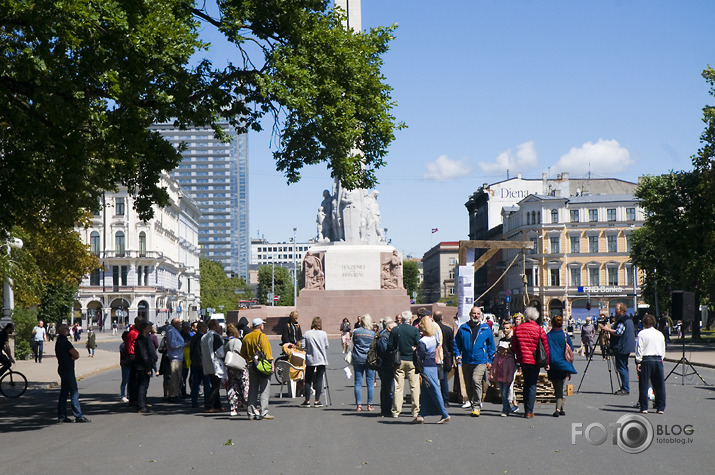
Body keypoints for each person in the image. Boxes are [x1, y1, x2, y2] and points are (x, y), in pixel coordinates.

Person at [454, 306, 496, 417]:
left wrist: (490, 360)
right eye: (474, 313)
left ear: (480, 315)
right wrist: (457, 355)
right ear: (470, 314)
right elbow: (456, 344)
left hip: (480, 360)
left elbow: (491, 346)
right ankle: (473, 404)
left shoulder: (485, 329)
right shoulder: (463, 328)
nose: (475, 316)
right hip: (467, 361)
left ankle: (477, 405)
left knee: (476, 380)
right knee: (468, 384)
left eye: (478, 314)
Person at [511, 307, 549, 419]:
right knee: (532, 384)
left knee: (526, 383)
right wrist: (547, 362)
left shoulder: (518, 329)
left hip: (523, 359)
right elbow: (545, 347)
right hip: (535, 360)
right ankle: (529, 411)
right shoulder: (539, 329)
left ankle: (526, 409)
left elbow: (514, 345)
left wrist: (519, 354)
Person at [413, 316, 450, 424]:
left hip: (426, 367)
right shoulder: (433, 338)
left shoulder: (422, 341)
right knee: (425, 391)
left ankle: (444, 414)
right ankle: (421, 414)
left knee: (434, 389)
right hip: (433, 365)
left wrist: (414, 350)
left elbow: (420, 355)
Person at [388, 310, 421, 418]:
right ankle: (415, 410)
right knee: (414, 386)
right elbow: (418, 344)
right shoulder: (414, 330)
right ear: (410, 319)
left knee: (398, 386)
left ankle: (396, 411)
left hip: (399, 360)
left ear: (401, 319)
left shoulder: (395, 330)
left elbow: (390, 346)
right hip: (412, 360)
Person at [240, 318, 274, 420]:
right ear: (260, 326)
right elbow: (267, 353)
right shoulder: (262, 336)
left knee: (253, 389)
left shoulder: (247, 337)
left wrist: (249, 359)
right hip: (262, 365)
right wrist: (271, 364)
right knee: (264, 388)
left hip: (251, 365)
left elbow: (242, 353)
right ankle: (264, 412)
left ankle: (251, 412)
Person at [55, 324, 90, 422]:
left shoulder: (58, 341)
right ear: (62, 330)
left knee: (64, 393)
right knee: (74, 392)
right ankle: (78, 415)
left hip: (61, 368)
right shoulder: (66, 342)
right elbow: (76, 354)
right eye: (66, 329)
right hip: (68, 369)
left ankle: (62, 416)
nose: (68, 330)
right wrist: (72, 358)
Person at [601, 303, 635, 395]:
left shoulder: (622, 320)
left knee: (621, 367)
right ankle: (625, 386)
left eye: (617, 309)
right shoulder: (628, 319)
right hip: (626, 345)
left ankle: (625, 388)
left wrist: (607, 329)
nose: (615, 310)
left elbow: (618, 332)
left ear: (622, 310)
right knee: (624, 367)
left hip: (622, 347)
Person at [546, 316, 577, 417]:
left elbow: (546, 350)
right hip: (563, 363)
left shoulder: (548, 335)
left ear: (552, 324)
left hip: (552, 364)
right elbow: (571, 349)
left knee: (557, 387)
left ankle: (558, 409)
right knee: (560, 386)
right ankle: (560, 408)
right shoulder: (565, 335)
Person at [635, 314, 666, 414]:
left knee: (644, 384)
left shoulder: (642, 334)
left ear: (644, 323)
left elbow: (640, 348)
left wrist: (638, 361)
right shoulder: (659, 334)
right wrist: (661, 358)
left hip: (646, 359)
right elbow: (662, 348)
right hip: (657, 359)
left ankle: (644, 407)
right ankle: (660, 407)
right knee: (659, 385)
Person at [301, 317, 329, 408]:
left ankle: (307, 400)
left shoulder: (307, 333)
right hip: (321, 359)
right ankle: (317, 400)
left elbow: (303, 346)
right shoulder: (323, 334)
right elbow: (326, 346)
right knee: (319, 379)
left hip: (311, 359)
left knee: (308, 379)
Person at [352, 313, 376, 412]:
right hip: (370, 359)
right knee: (370, 382)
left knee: (358, 382)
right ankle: (369, 405)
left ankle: (359, 405)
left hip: (358, 358)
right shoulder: (372, 333)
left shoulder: (356, 332)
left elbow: (354, 342)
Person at [201, 319, 226, 413]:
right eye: (218, 325)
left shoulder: (204, 336)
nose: (219, 327)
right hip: (216, 364)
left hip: (207, 363)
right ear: (214, 326)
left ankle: (218, 405)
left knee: (215, 384)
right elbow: (220, 353)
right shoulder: (215, 336)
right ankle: (209, 405)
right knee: (215, 386)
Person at [224, 323, 248, 416]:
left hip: (230, 366)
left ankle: (233, 407)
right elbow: (242, 352)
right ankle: (246, 403)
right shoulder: (237, 341)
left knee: (232, 386)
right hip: (239, 365)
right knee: (244, 385)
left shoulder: (226, 341)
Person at [496, 320, 519, 414]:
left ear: (511, 329)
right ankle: (511, 404)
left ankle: (507, 407)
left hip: (512, 365)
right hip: (502, 367)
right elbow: (498, 353)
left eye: (507, 328)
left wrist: (519, 365)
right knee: (505, 387)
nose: (505, 330)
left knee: (509, 386)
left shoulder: (514, 339)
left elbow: (517, 353)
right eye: (504, 328)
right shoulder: (501, 340)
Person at [134, 321, 157, 413]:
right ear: (144, 329)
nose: (151, 328)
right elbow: (144, 355)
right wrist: (148, 367)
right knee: (142, 386)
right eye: (149, 327)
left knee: (145, 385)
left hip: (145, 365)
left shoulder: (146, 337)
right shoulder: (141, 339)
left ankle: (143, 402)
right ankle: (141, 405)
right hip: (142, 366)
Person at [376, 317, 396, 417]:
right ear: (389, 328)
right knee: (388, 388)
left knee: (386, 387)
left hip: (386, 365)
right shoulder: (384, 338)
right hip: (384, 365)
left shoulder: (387, 336)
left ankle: (386, 408)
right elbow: (385, 352)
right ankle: (386, 409)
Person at [433, 311, 454, 406]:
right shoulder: (448, 330)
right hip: (445, 357)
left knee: (433, 379)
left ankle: (434, 399)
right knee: (444, 379)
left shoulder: (431, 329)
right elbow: (451, 346)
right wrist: (452, 359)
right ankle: (445, 400)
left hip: (433, 356)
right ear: (442, 318)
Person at [189, 321, 211, 409]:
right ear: (202, 328)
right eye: (205, 328)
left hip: (194, 363)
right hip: (203, 363)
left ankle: (194, 402)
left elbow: (191, 350)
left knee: (195, 383)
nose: (206, 329)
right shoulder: (203, 338)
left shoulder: (193, 337)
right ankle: (207, 402)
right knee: (206, 384)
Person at [164, 318, 185, 402]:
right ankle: (172, 395)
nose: (180, 325)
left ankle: (175, 393)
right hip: (175, 357)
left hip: (178, 357)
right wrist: (184, 344)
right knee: (174, 378)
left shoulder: (175, 331)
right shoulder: (171, 331)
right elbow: (172, 344)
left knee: (177, 378)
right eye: (179, 323)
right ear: (174, 324)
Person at [119, 331, 131, 402]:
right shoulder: (123, 345)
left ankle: (129, 394)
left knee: (130, 380)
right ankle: (123, 395)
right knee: (125, 380)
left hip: (129, 364)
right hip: (125, 364)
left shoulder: (129, 344)